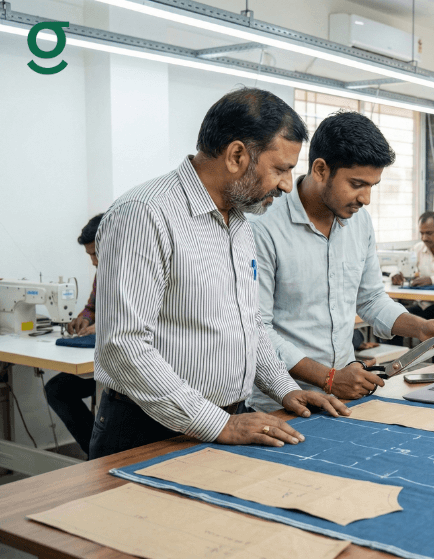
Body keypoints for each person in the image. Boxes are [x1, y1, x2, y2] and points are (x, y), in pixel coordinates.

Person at [91, 87, 348, 460]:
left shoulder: (240, 220)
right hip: (149, 429)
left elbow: (248, 323)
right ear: (237, 155)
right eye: (280, 169)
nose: (287, 185)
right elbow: (123, 345)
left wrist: (283, 388)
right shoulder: (145, 214)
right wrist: (218, 423)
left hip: (230, 420)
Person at [249, 111, 434, 409]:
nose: (366, 198)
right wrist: (328, 378)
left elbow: (371, 299)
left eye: (373, 186)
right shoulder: (263, 227)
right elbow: (258, 330)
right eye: (357, 184)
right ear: (321, 170)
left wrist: (419, 328)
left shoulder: (359, 223)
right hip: (281, 403)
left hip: (346, 394)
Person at [44, 214, 103, 457]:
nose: (92, 262)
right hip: (102, 360)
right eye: (89, 255)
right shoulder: (102, 274)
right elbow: (92, 306)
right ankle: (94, 451)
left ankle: (98, 452)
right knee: (57, 389)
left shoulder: (136, 272)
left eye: (94, 254)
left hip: (126, 365)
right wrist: (85, 319)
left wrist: (102, 327)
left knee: (59, 390)